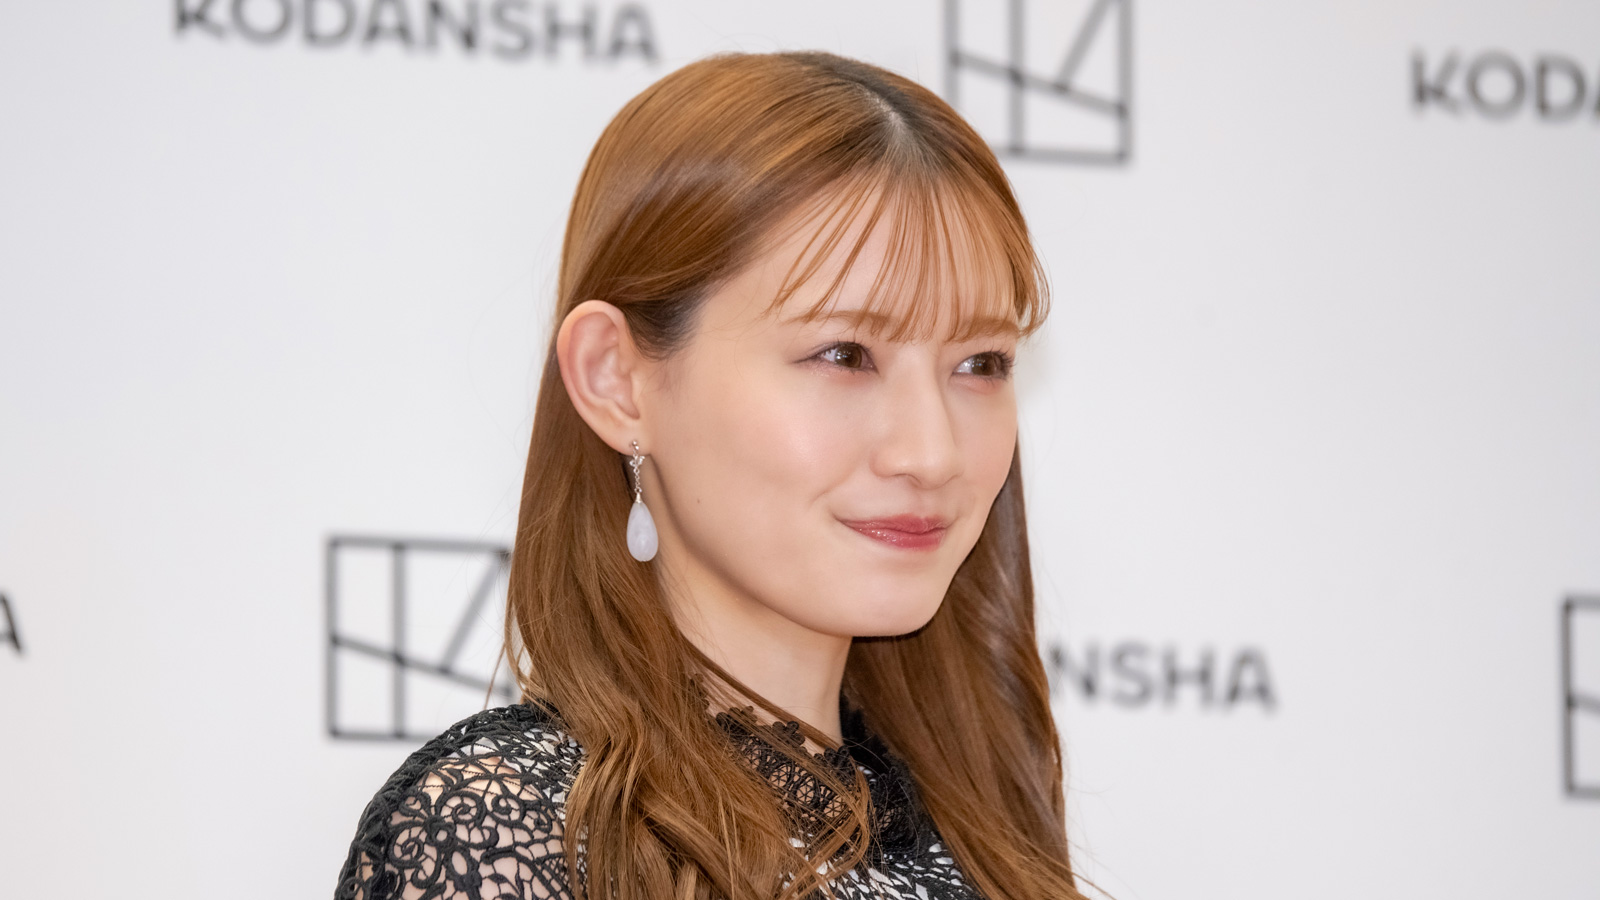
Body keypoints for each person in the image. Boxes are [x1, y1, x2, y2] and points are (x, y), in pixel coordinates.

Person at [334, 50, 1087, 900]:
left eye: (982, 363)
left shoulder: (983, 834)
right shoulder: (511, 836)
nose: (931, 452)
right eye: (844, 354)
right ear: (617, 380)